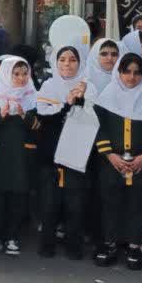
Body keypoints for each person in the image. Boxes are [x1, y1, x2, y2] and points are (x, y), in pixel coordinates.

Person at [93, 53, 142, 270]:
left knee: (137, 205)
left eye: (137, 72)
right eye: (127, 72)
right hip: (111, 163)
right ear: (119, 72)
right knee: (110, 204)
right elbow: (99, 128)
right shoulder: (106, 97)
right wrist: (110, 155)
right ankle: (110, 245)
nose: (132, 77)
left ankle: (134, 247)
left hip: (141, 164)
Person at [35, 45, 90, 259]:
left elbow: (92, 119)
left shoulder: (88, 88)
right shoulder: (48, 86)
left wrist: (81, 100)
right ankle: (46, 244)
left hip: (77, 155)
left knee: (75, 203)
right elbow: (44, 116)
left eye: (73, 60)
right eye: (63, 59)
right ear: (55, 62)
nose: (67, 64)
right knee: (49, 202)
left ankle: (73, 246)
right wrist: (66, 105)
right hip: (51, 154)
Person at [0, 56, 39, 256]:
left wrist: (25, 116)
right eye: (16, 74)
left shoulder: (32, 95)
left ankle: (12, 237)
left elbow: (39, 127)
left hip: (22, 154)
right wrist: (0, 116)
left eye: (25, 73)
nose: (21, 78)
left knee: (18, 195)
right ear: (7, 74)